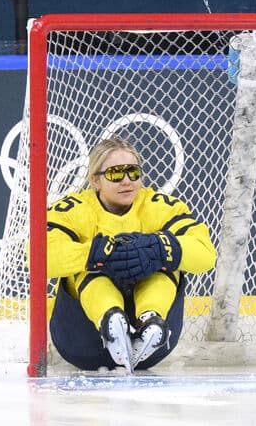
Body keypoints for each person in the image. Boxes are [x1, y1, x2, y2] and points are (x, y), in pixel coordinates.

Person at [46, 137, 217, 373]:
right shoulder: (73, 209)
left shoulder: (160, 206)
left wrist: (159, 247)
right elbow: (36, 258)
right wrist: (95, 253)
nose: (127, 181)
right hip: (82, 342)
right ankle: (110, 321)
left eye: (133, 172)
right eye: (116, 174)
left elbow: (206, 254)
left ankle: (151, 322)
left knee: (167, 257)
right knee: (87, 265)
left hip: (150, 352)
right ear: (95, 180)